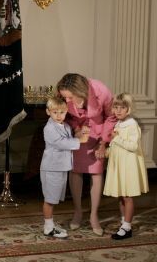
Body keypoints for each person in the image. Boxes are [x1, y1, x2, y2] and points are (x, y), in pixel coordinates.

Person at [56, 73, 117, 236]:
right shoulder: (64, 95)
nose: (67, 100)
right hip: (78, 136)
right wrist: (75, 128)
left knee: (96, 173)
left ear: (79, 91)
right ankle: (77, 212)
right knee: (75, 170)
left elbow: (111, 117)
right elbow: (64, 116)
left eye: (69, 97)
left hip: (98, 136)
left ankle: (94, 216)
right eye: (65, 97)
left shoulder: (101, 90)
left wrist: (103, 143)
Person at [103, 93, 149, 240]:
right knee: (121, 196)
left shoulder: (132, 125)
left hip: (128, 166)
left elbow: (132, 146)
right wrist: (106, 152)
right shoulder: (118, 124)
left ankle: (127, 227)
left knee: (127, 197)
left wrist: (116, 138)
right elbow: (115, 146)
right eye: (115, 107)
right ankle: (124, 222)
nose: (118, 110)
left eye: (122, 107)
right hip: (119, 164)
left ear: (129, 109)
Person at [40, 97, 84, 238]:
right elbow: (61, 143)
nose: (59, 116)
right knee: (50, 198)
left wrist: (80, 134)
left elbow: (68, 138)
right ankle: (48, 227)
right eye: (55, 112)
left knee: (54, 198)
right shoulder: (49, 128)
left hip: (61, 167)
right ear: (48, 112)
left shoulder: (64, 126)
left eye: (62, 112)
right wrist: (80, 140)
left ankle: (51, 224)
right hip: (52, 168)